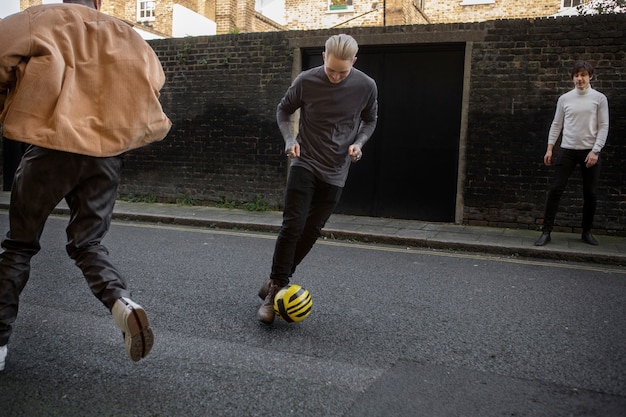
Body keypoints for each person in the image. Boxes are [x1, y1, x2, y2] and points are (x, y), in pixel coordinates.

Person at [0, 0, 171, 371]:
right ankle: (122, 303)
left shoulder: (40, 17)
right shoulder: (128, 33)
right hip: (107, 154)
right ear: (97, 3)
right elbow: (153, 81)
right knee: (88, 242)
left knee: (19, 246)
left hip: (52, 147)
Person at [257, 34, 378, 324]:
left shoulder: (366, 86)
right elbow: (284, 109)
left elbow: (370, 119)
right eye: (331, 69)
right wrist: (289, 140)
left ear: (354, 62)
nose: (335, 76)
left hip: (337, 169)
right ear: (323, 56)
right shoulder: (306, 81)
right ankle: (276, 290)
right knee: (293, 225)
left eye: (343, 71)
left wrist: (359, 143)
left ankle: (275, 278)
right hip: (305, 161)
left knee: (311, 230)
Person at [534, 61, 609, 247]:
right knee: (555, 190)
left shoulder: (599, 99)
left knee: (590, 193)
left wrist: (595, 151)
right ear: (572, 77)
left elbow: (604, 126)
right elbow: (556, 124)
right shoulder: (565, 99)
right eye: (576, 75)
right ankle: (546, 232)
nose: (579, 79)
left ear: (590, 76)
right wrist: (550, 148)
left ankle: (586, 231)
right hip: (567, 150)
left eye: (583, 75)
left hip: (589, 152)